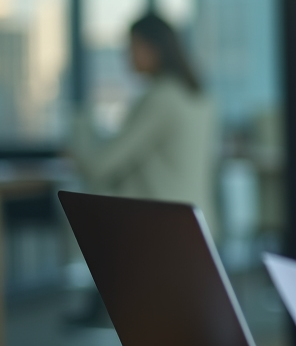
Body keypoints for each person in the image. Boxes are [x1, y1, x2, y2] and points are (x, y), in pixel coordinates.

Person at [69, 13, 217, 234]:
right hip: (196, 226)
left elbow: (100, 165)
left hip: (163, 231)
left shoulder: (161, 99)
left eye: (131, 47)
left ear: (153, 48)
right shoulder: (199, 97)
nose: (126, 56)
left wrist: (74, 147)